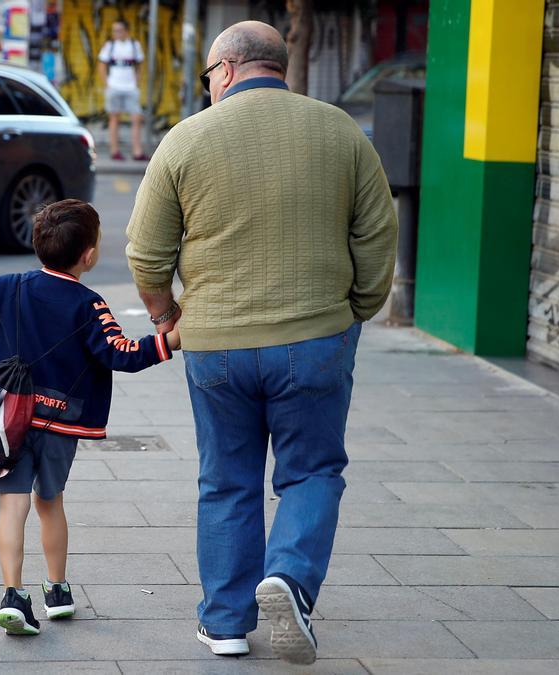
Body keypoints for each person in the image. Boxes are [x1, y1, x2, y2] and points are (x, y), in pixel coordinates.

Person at [124, 21, 397, 664]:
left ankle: (224, 623)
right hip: (316, 335)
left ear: (224, 69)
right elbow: (377, 236)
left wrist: (166, 317)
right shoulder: (339, 132)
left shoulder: (186, 139)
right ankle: (290, 581)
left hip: (216, 344)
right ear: (279, 65)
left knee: (226, 479)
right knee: (311, 471)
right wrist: (356, 310)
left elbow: (146, 251)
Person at [0, 199, 181, 635]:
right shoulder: (90, 305)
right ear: (89, 255)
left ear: (38, 245)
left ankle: (13, 596)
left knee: (12, 505)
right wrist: (171, 340)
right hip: (63, 423)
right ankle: (57, 591)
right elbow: (120, 355)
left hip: (8, 423)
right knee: (50, 502)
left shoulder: (14, 286)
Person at [98, 20, 147, 161]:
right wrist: (107, 84)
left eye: (119, 30)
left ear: (126, 31)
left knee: (136, 118)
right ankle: (115, 151)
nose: (116, 33)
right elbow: (101, 65)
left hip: (130, 88)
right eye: (114, 31)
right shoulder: (110, 46)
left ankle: (137, 152)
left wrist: (136, 81)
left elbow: (139, 65)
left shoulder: (134, 45)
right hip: (114, 87)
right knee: (114, 119)